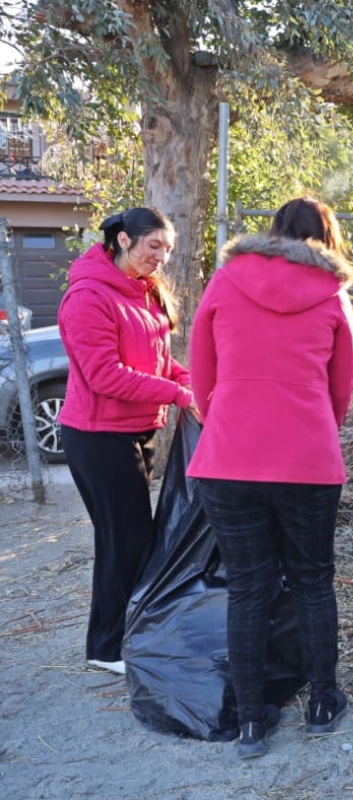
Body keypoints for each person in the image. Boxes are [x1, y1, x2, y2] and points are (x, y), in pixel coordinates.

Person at [187, 197, 353, 758]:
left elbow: (201, 370)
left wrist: (226, 424)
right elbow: (342, 389)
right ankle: (321, 703)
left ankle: (251, 722)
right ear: (325, 238)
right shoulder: (333, 294)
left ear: (273, 232)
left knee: (248, 588)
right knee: (313, 582)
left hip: (229, 457)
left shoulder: (226, 279)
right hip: (306, 460)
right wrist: (310, 433)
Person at [57, 208, 193, 676]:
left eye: (167, 248)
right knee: (125, 541)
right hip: (97, 436)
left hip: (137, 430)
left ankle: (126, 637)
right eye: (153, 245)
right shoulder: (88, 296)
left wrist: (190, 381)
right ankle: (106, 648)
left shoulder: (146, 291)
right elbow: (104, 375)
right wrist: (176, 393)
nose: (161, 256)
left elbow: (159, 361)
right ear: (122, 240)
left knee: (129, 540)